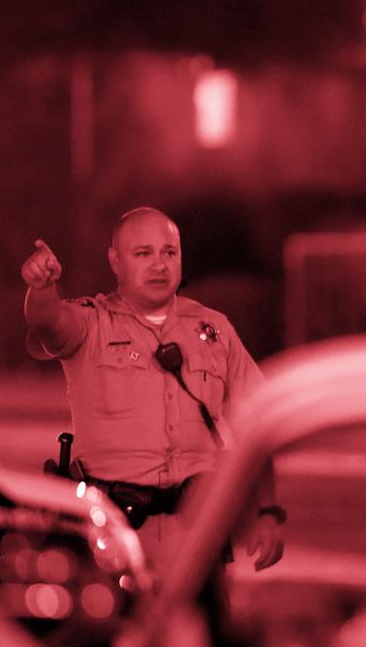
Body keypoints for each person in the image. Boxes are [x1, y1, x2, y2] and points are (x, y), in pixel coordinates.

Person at [20, 207, 284, 575]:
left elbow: (257, 423)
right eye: (143, 254)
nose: (159, 265)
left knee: (202, 631)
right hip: (113, 533)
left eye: (169, 253)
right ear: (115, 260)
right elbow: (49, 324)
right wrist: (42, 288)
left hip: (197, 533)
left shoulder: (214, 329)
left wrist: (267, 510)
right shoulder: (92, 323)